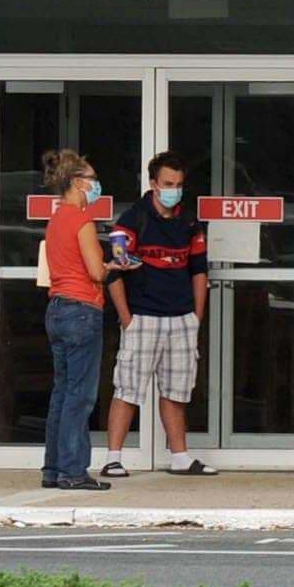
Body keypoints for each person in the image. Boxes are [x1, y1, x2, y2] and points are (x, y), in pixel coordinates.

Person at [99, 151, 213, 478]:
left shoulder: (189, 222)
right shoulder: (133, 219)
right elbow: (115, 272)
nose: (174, 190)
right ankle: (113, 457)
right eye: (167, 184)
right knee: (127, 388)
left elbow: (199, 271)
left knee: (176, 391)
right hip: (143, 317)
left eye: (178, 184)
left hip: (180, 319)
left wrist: (196, 317)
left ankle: (180, 457)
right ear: (153, 184)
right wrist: (127, 319)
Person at [39, 149, 131, 492]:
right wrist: (116, 266)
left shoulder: (56, 218)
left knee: (62, 393)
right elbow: (95, 271)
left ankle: (53, 468)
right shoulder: (81, 221)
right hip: (82, 309)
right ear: (77, 183)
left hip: (57, 308)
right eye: (92, 179)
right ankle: (74, 471)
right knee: (80, 396)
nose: (96, 185)